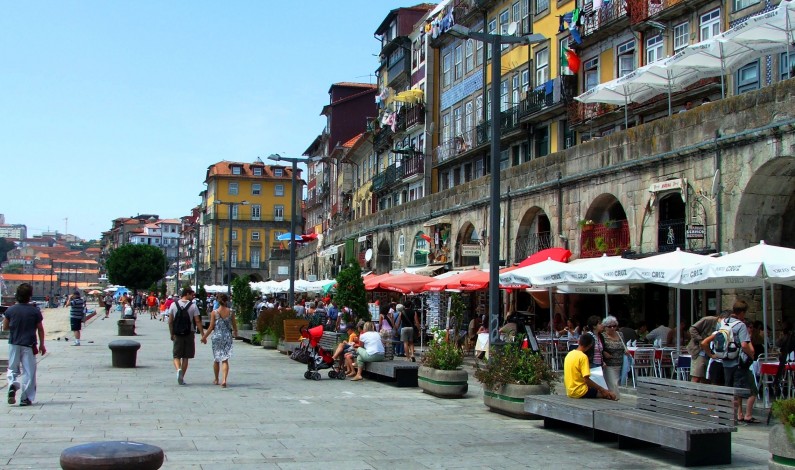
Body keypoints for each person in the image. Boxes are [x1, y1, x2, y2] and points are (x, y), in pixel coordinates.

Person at [701, 299, 757, 424]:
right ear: (742, 313)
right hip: (737, 362)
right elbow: (744, 345)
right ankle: (733, 418)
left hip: (725, 361)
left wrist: (712, 355)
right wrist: (751, 355)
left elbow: (712, 339)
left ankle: (725, 415)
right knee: (743, 390)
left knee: (729, 389)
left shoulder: (723, 322)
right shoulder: (741, 325)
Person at [4, 284, 46, 407]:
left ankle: (13, 383)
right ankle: (25, 398)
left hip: (14, 343)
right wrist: (42, 345)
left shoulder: (10, 310)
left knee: (12, 368)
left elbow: (5, 327)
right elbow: (40, 329)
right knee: (29, 371)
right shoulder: (34, 311)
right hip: (29, 344)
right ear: (30, 296)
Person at [168, 287, 205, 385]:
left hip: (177, 333)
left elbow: (170, 321)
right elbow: (197, 321)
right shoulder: (193, 306)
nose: (193, 297)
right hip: (189, 333)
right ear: (187, 294)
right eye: (192, 295)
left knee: (176, 355)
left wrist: (171, 333)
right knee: (186, 357)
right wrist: (203, 335)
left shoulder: (173, 304)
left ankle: (178, 370)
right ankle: (182, 377)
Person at [200, 293, 237, 388]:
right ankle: (224, 380)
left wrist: (204, 337)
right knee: (225, 359)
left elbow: (211, 327)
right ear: (227, 301)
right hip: (227, 336)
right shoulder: (231, 312)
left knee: (216, 359)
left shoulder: (214, 312)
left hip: (217, 336)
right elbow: (234, 325)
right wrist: (235, 332)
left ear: (218, 301)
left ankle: (216, 379)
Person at [564, 334, 617, 400]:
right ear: (590, 346)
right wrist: (602, 389)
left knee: (603, 391)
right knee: (609, 395)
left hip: (570, 391)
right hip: (580, 391)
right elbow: (586, 380)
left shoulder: (569, 354)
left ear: (578, 342)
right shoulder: (583, 357)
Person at [600, 316, 630, 398]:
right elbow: (599, 348)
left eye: (614, 326)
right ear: (605, 327)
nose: (612, 328)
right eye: (610, 326)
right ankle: (616, 399)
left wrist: (626, 350)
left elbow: (623, 346)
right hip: (609, 365)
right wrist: (603, 352)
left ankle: (611, 399)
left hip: (621, 365)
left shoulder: (620, 334)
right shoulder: (602, 336)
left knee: (615, 384)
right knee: (613, 384)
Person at [687, 313, 721, 383]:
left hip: (711, 351)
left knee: (706, 377)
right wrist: (700, 340)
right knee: (697, 375)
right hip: (699, 350)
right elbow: (692, 329)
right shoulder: (708, 320)